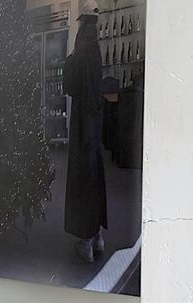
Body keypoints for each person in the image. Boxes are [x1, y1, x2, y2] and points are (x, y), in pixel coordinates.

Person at [63, 4, 108, 262]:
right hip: (95, 124)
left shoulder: (79, 52)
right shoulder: (97, 50)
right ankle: (98, 236)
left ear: (81, 23)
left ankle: (86, 241)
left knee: (82, 181)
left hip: (81, 125)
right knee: (95, 177)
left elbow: (70, 86)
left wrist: (69, 60)